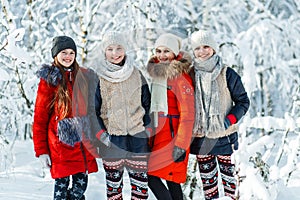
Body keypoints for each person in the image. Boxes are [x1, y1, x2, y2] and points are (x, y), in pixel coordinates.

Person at [32, 36, 98, 200]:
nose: (68, 56)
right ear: (55, 55)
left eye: (71, 52)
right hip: (60, 147)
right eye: (63, 52)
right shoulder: (50, 79)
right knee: (61, 193)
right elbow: (40, 118)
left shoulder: (84, 77)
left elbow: (94, 108)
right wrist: (41, 151)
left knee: (79, 190)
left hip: (82, 145)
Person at [189, 30, 250, 200]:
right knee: (209, 187)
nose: (202, 51)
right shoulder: (190, 75)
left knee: (231, 185)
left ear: (214, 49)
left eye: (206, 46)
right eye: (197, 48)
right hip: (201, 138)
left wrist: (230, 120)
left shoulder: (227, 73)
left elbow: (243, 101)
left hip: (225, 136)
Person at [94, 31, 151, 199]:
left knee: (140, 189)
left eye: (119, 48)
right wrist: (102, 135)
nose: (115, 53)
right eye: (110, 49)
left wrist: (147, 129)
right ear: (104, 51)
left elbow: (147, 104)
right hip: (112, 140)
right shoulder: (98, 78)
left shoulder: (136, 74)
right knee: (114, 190)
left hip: (137, 139)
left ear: (125, 50)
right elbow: (93, 111)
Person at [146, 33, 195, 200]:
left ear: (175, 53)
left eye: (166, 51)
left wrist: (181, 144)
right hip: (160, 135)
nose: (162, 55)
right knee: (171, 181)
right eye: (158, 51)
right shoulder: (158, 74)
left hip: (174, 138)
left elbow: (188, 115)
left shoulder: (181, 79)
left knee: (152, 177)